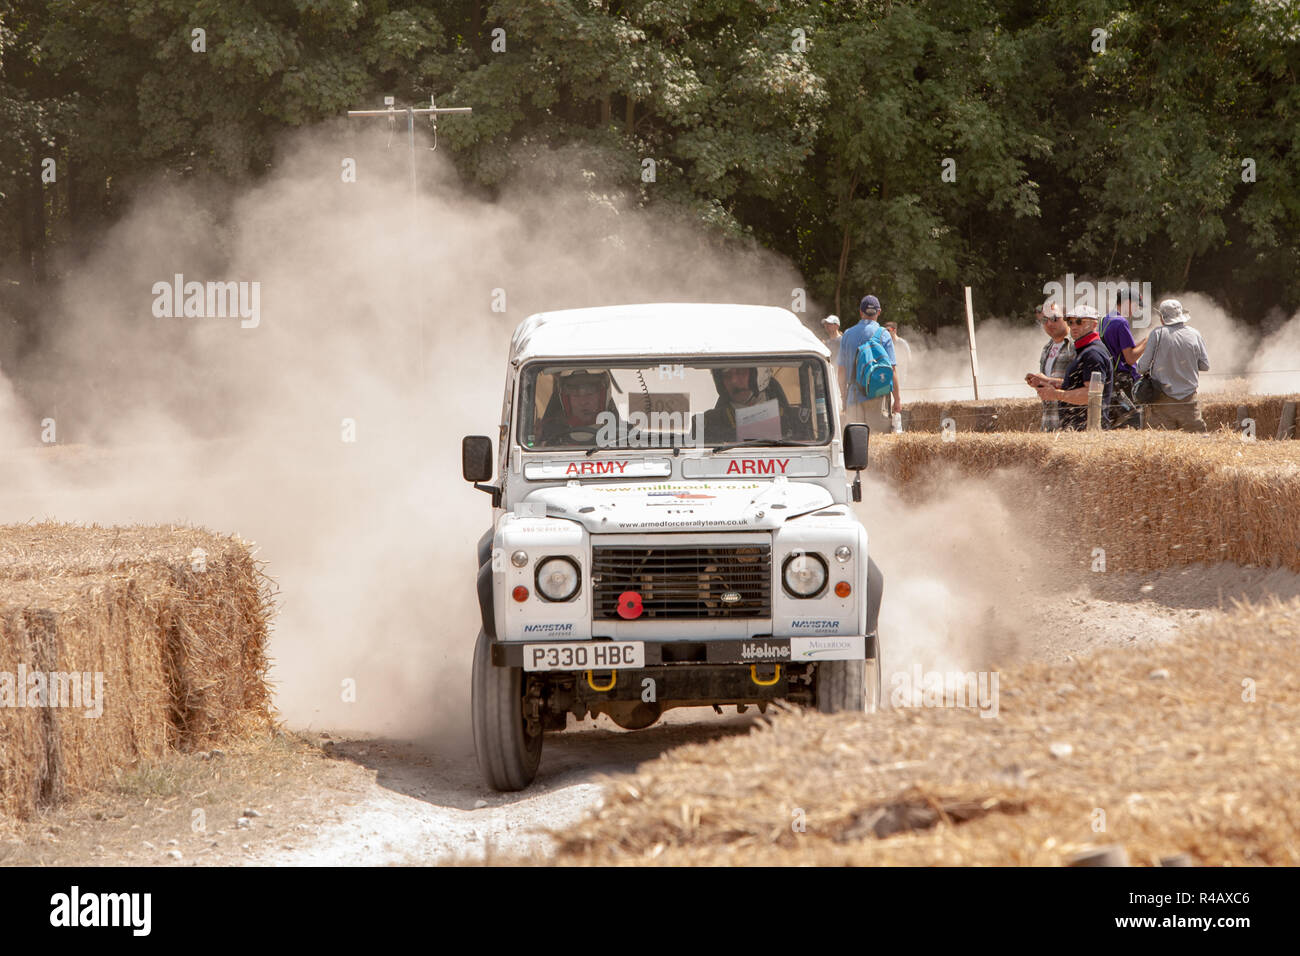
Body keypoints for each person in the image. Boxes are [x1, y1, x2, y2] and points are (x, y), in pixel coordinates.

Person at [1026, 304, 1113, 430]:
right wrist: (1047, 381)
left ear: (1094, 324)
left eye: (1079, 322)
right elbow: (1075, 385)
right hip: (1077, 430)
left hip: (1087, 431)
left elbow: (1091, 395)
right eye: (1070, 322)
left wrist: (1056, 394)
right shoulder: (1086, 350)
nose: (1074, 326)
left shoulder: (1093, 353)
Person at [1136, 299, 1210, 432]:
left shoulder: (1157, 334)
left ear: (1162, 318)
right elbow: (1205, 365)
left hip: (1162, 400)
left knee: (1162, 446)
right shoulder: (1195, 334)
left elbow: (1141, 367)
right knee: (1195, 443)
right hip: (1189, 402)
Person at [836, 295, 900, 434]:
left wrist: (844, 397)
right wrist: (897, 400)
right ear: (879, 312)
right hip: (878, 396)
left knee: (855, 443)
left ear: (860, 312)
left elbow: (841, 371)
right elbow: (892, 371)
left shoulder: (847, 334)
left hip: (853, 396)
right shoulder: (884, 334)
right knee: (877, 443)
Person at [701, 366, 805, 443]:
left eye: (741, 372)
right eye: (726, 376)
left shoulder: (795, 419)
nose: (734, 381)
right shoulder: (707, 424)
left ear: (760, 374)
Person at [1099, 288, 1149, 428]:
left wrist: (1142, 342)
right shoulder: (1121, 322)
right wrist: (1147, 341)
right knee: (1133, 421)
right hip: (1123, 382)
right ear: (1128, 302)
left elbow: (1123, 350)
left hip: (1111, 379)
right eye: (1136, 306)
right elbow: (1130, 358)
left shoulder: (1105, 319)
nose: (1136, 310)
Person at [1026, 301, 1074, 431]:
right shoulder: (1047, 348)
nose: (1049, 324)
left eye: (1054, 318)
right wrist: (1038, 382)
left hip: (1071, 425)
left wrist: (1047, 381)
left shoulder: (1076, 346)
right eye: (1044, 320)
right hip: (1049, 423)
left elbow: (1083, 386)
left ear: (1066, 318)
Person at [538, 369, 615, 445]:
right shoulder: (549, 435)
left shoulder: (621, 435)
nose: (583, 402)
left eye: (590, 393)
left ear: (602, 396)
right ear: (566, 400)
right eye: (575, 394)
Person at [882, 320, 911, 421]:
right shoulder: (885, 343)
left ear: (894, 330)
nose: (886, 332)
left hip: (901, 374)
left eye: (888, 330)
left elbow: (908, 358)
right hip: (890, 374)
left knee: (900, 394)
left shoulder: (902, 343)